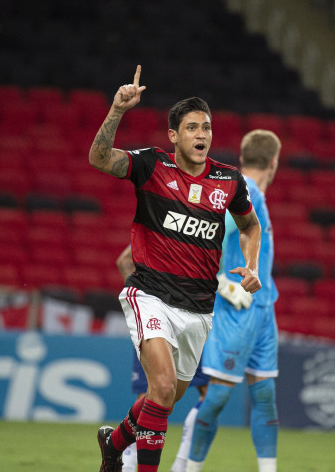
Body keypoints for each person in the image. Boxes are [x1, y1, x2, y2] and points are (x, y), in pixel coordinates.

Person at [90, 65, 262, 472]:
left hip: (199, 309)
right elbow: (99, 158)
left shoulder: (229, 181)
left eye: (206, 128)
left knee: (167, 397)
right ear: (174, 136)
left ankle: (113, 443)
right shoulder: (152, 166)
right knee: (163, 388)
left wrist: (252, 264)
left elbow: (250, 225)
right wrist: (117, 110)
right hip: (149, 294)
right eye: (191, 128)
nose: (201, 135)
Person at [185, 129, 281, 472]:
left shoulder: (255, 194)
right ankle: (189, 467)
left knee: (265, 395)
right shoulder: (247, 191)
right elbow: (209, 230)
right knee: (219, 395)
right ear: (274, 162)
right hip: (237, 309)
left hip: (263, 311)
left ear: (243, 158)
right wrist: (221, 282)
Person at [115, 245, 209, 472]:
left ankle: (181, 464)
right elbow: (124, 260)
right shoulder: (166, 223)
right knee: (152, 393)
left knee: (206, 394)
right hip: (155, 316)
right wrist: (146, 295)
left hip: (193, 316)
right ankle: (127, 460)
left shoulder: (214, 225)